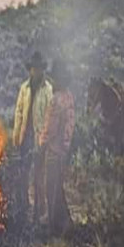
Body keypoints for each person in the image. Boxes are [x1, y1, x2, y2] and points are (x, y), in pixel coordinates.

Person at [13, 51, 53, 222]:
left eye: (38, 69)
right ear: (30, 70)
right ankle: (23, 208)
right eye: (33, 69)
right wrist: (16, 136)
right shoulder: (24, 88)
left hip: (39, 139)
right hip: (25, 137)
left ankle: (39, 212)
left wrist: (45, 140)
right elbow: (19, 112)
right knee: (22, 174)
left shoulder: (48, 90)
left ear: (42, 70)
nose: (35, 72)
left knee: (39, 176)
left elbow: (49, 117)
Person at [39, 61, 74, 236]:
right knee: (57, 187)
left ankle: (55, 227)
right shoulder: (69, 97)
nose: (51, 83)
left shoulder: (56, 100)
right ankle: (64, 222)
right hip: (64, 150)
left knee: (50, 187)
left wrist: (40, 144)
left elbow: (49, 129)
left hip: (54, 151)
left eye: (53, 80)